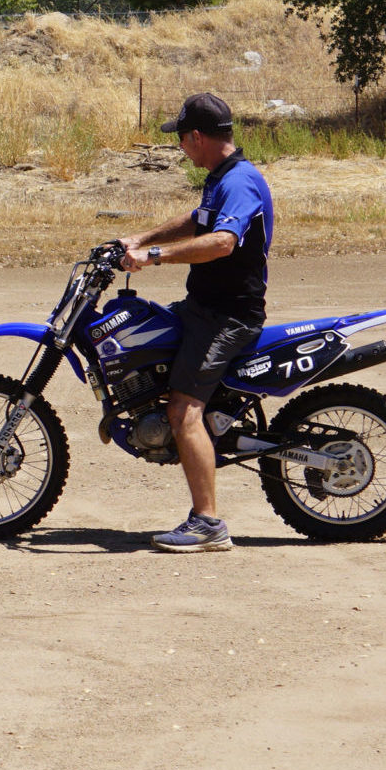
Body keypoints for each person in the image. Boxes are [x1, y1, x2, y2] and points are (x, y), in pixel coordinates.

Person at [116, 93, 274, 552]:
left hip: (228, 315)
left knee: (184, 411)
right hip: (203, 306)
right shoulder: (221, 179)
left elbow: (223, 241)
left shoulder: (240, 181)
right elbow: (198, 221)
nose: (181, 147)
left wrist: (153, 256)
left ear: (198, 137)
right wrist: (139, 237)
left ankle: (208, 524)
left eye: (182, 139)